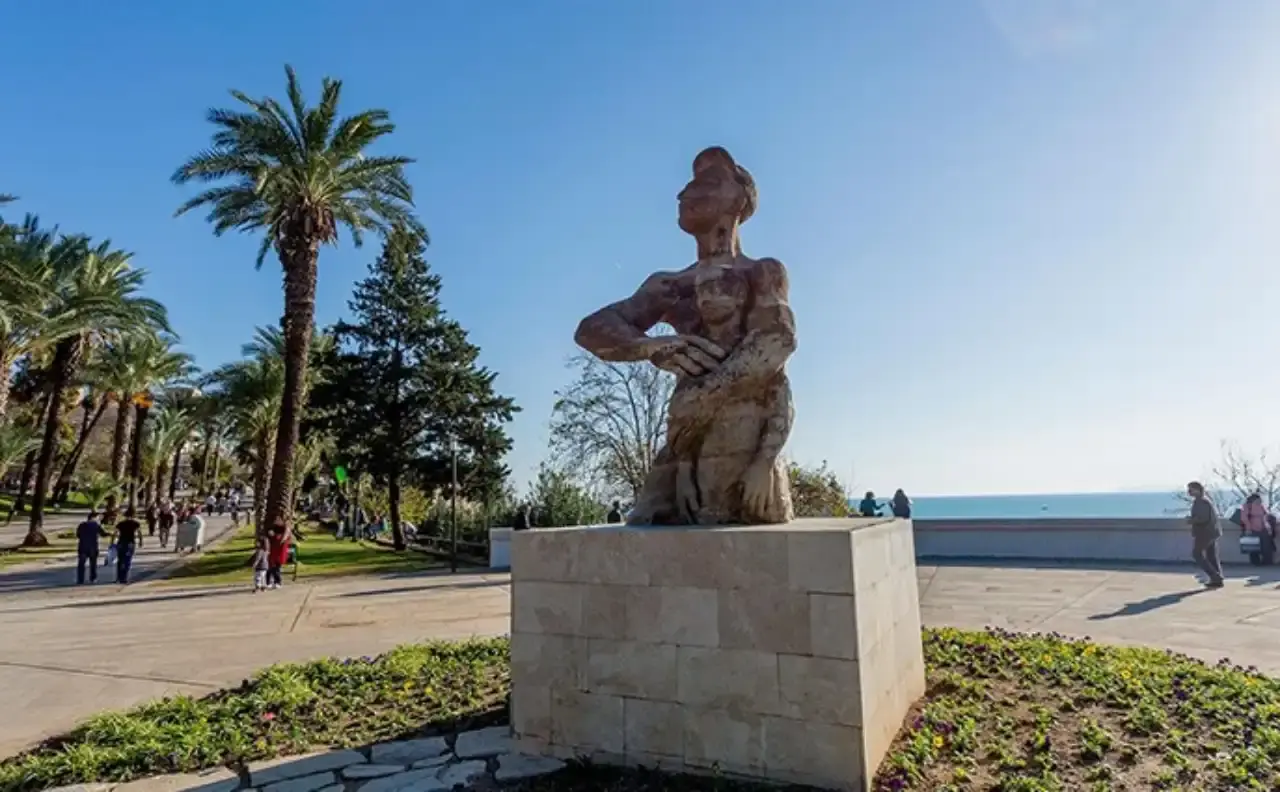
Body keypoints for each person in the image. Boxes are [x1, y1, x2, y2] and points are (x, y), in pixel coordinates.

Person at [1187, 481, 1224, 589]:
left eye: (1191, 489)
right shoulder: (1204, 501)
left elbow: (1203, 518)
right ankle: (1217, 579)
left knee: (1197, 554)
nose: (1189, 492)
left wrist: (1191, 520)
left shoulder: (1201, 502)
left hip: (1205, 532)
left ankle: (1215, 576)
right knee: (1211, 556)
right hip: (1212, 531)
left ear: (1197, 490)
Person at [75, 511, 109, 585]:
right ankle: (93, 578)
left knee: (81, 564)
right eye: (97, 518)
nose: (98, 519)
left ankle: (80, 580)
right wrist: (110, 534)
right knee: (93, 564)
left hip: (83, 546)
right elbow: (103, 534)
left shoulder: (82, 525)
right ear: (93, 518)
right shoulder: (96, 525)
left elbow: (78, 535)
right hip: (93, 547)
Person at [1241, 492, 1275, 565]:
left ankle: (1266, 561)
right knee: (1253, 547)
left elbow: (1266, 516)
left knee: (1266, 546)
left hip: (1264, 528)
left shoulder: (1261, 506)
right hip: (1253, 529)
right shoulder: (1247, 506)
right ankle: (1256, 562)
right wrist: (1248, 528)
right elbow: (1244, 518)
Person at [114, 508, 143, 584]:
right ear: (133, 516)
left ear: (125, 516)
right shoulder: (136, 523)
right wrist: (140, 542)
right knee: (127, 561)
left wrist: (112, 543)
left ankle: (119, 577)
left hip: (121, 543)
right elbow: (139, 533)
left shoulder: (120, 524)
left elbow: (115, 533)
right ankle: (125, 578)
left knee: (120, 561)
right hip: (130, 543)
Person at [266, 518, 290, 589]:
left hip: (278, 553)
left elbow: (285, 536)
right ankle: (269, 582)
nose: (277, 522)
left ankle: (277, 582)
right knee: (271, 568)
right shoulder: (273, 531)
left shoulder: (284, 532)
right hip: (272, 552)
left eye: (278, 521)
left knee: (276, 568)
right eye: (276, 521)